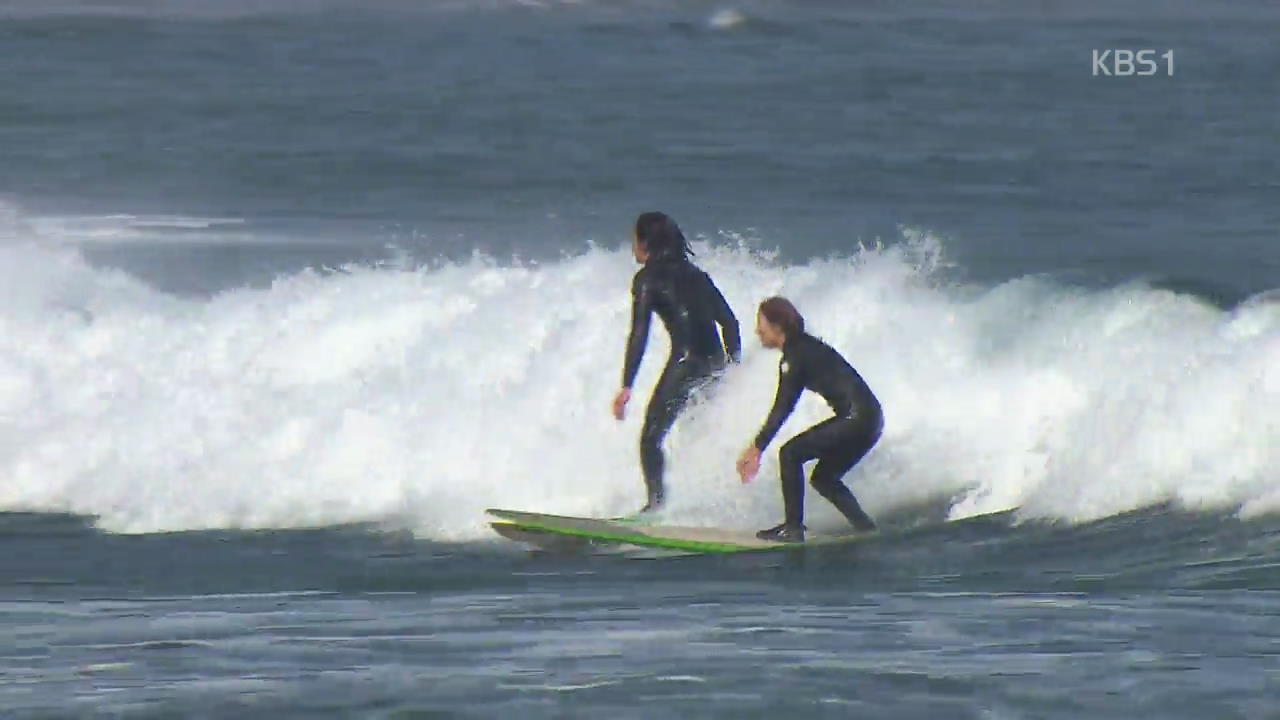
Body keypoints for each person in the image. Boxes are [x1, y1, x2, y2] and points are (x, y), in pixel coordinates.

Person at [613, 211, 741, 514]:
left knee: (650, 438)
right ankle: (709, 500)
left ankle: (656, 507)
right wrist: (733, 370)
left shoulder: (646, 279)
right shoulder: (698, 275)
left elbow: (640, 333)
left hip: (687, 362)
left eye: (634, 240)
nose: (632, 247)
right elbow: (730, 324)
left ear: (645, 243)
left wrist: (626, 385)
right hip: (714, 363)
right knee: (698, 431)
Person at [736, 296, 882, 542]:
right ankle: (866, 529)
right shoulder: (804, 348)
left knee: (790, 454)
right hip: (871, 419)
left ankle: (793, 528)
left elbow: (783, 407)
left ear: (777, 326)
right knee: (823, 478)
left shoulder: (795, 357)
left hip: (857, 419)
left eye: (761, 324)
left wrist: (756, 448)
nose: (757, 331)